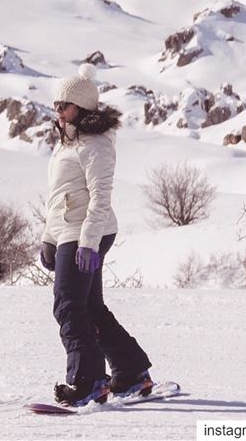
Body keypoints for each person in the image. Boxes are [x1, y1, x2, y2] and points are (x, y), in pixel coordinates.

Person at [40, 63, 153, 407]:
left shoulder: (96, 145)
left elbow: (100, 197)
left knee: (68, 306)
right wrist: (49, 237)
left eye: (65, 105)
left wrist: (88, 242)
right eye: (56, 105)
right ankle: (131, 372)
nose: (58, 111)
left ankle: (87, 381)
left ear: (83, 107)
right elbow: (61, 195)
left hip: (88, 232)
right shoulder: (67, 142)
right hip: (70, 232)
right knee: (89, 307)